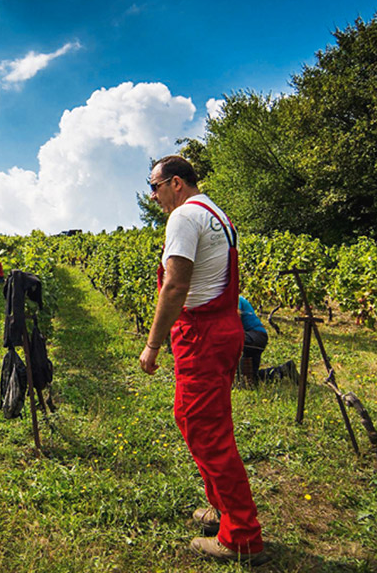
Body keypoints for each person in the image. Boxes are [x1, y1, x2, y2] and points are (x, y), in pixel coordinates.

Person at [138, 155, 267, 565]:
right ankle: (222, 508)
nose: (153, 196)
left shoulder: (183, 217)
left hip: (203, 335)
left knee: (209, 434)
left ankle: (242, 536)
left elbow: (175, 286)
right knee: (195, 420)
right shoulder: (217, 215)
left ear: (176, 182)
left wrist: (153, 344)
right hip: (221, 328)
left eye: (154, 186)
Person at [239, 295, 268, 384]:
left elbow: (235, 317)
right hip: (255, 337)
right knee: (252, 378)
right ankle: (284, 369)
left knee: (229, 339)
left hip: (256, 336)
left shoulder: (235, 298)